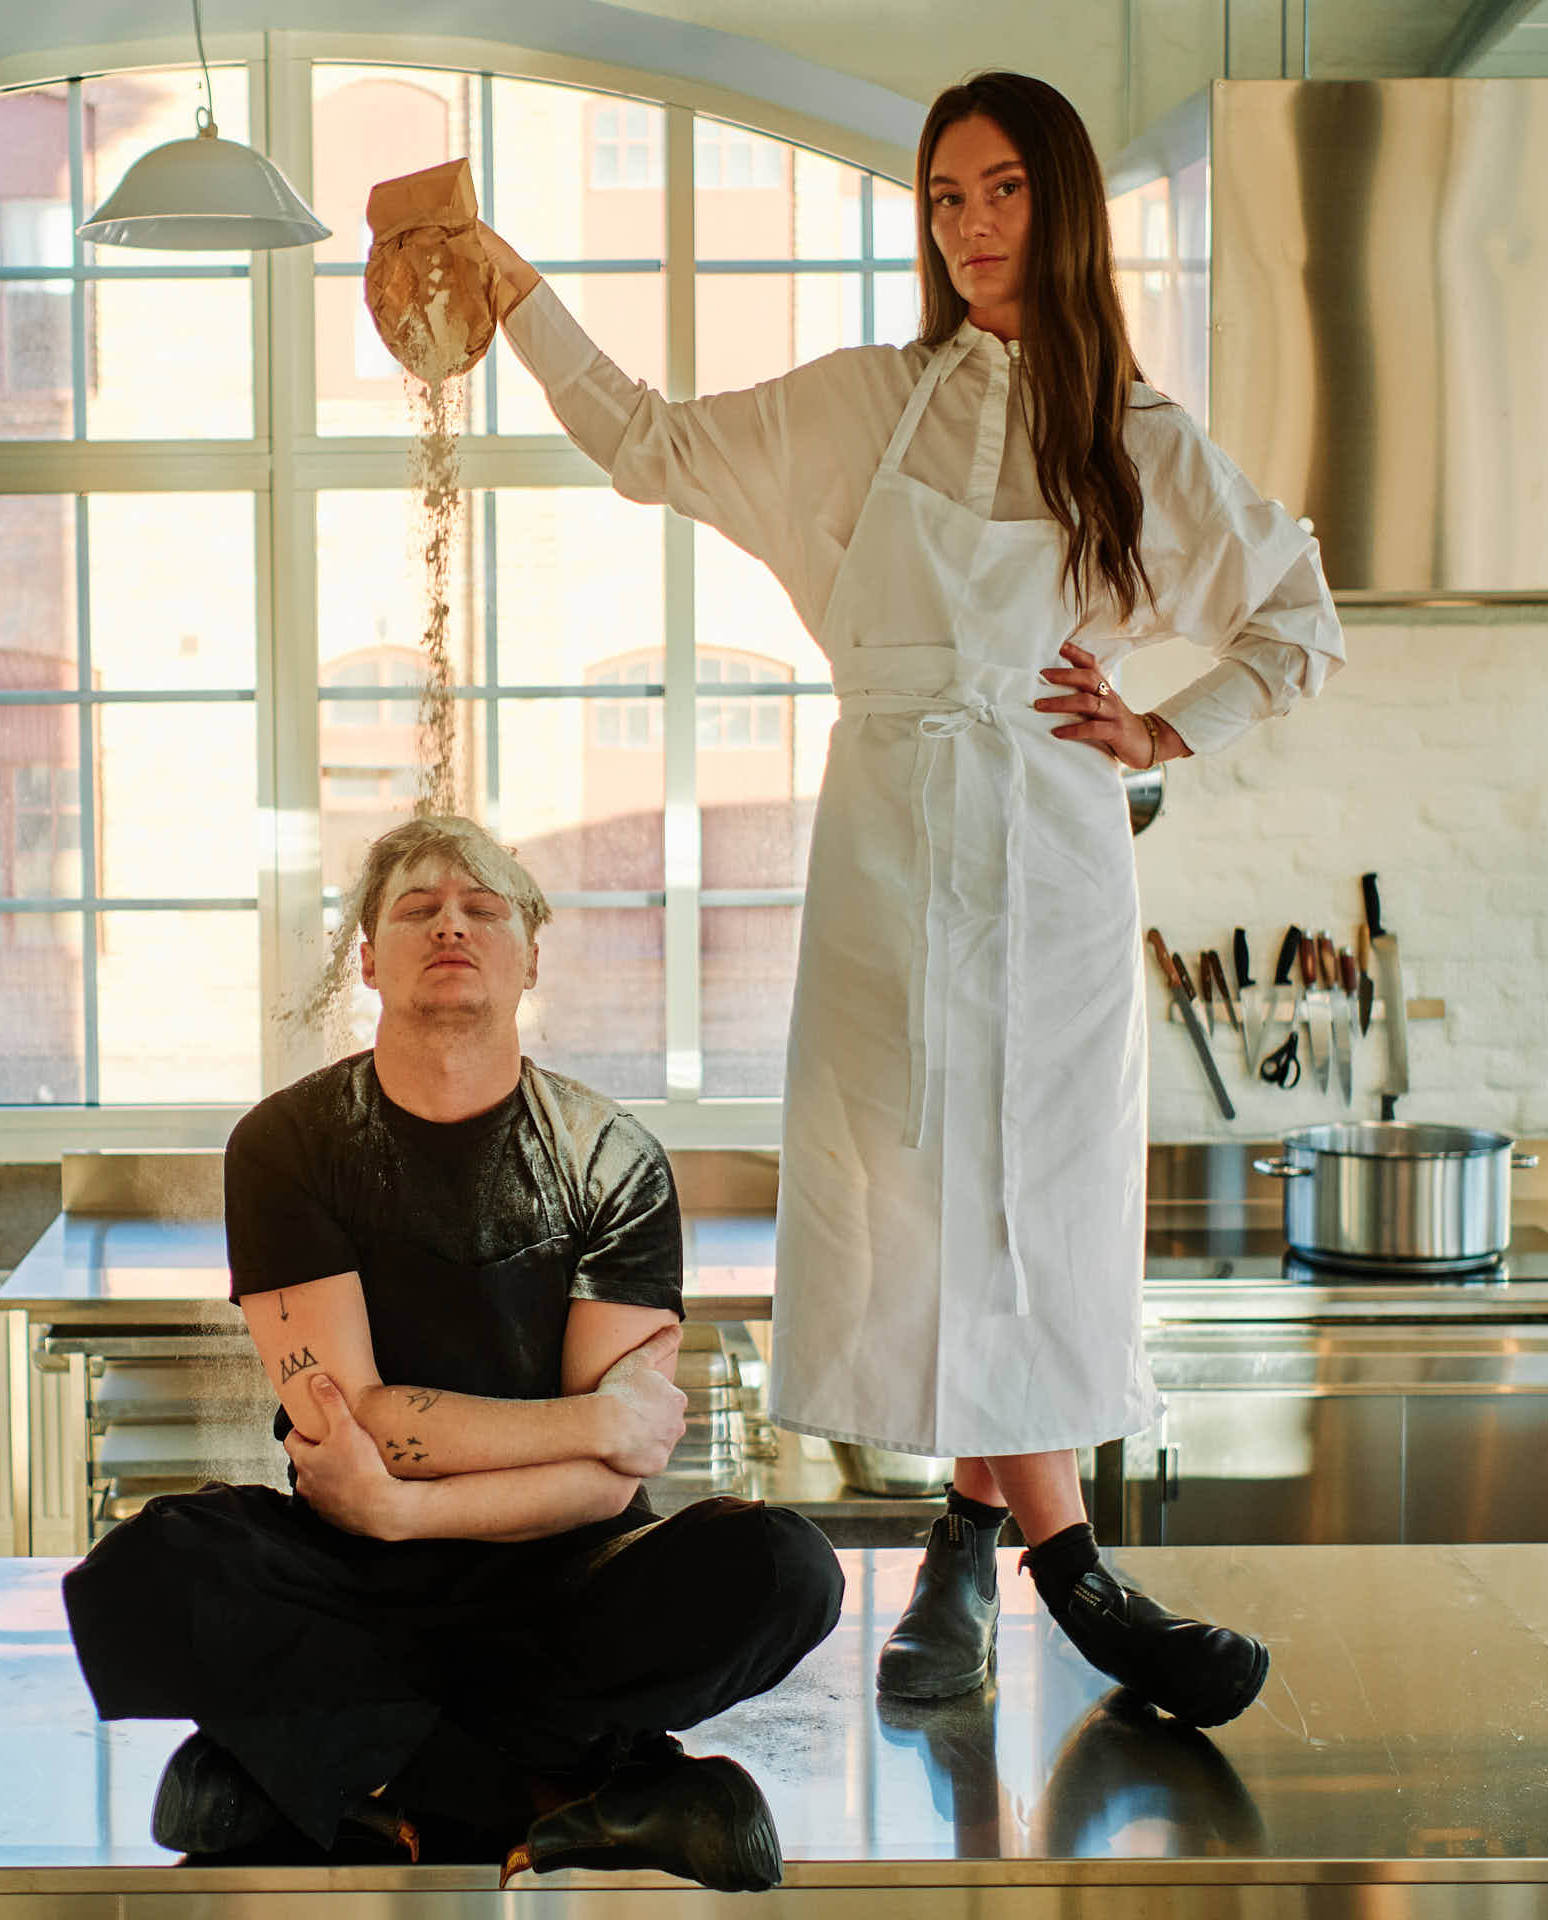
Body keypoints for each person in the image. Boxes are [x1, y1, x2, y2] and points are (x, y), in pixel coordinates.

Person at [478, 72, 1341, 1720]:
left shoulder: (1138, 441)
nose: (973, 228)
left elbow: (1297, 619)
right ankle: (1057, 1569)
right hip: (886, 845)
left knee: (1038, 1207)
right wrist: (518, 294)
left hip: (1054, 853)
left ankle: (978, 1551)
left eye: (1005, 190)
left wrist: (1171, 722)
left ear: (1063, 206)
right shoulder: (867, 403)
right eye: (946, 199)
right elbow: (648, 442)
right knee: (913, 1204)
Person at [61, 816, 844, 1890]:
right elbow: (358, 1421)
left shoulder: (613, 1159)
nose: (452, 927)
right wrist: (582, 1423)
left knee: (783, 1566)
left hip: (568, 1580)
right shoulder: (288, 1144)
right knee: (157, 1565)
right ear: (369, 959)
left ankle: (361, 1772)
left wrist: (408, 1507)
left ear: (531, 954)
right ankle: (570, 1782)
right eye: (418, 909)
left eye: (483, 908)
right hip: (349, 1575)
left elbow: (604, 1486)